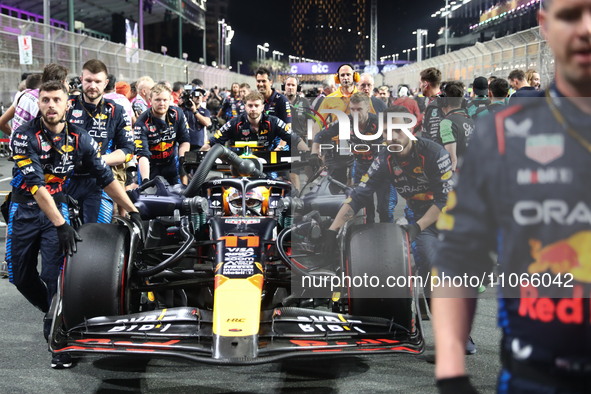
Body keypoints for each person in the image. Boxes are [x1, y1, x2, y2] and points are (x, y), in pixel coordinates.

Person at [432, 0, 591, 392]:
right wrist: (452, 371)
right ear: (544, 25)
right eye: (571, 14)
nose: (586, 28)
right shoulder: (502, 134)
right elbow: (457, 257)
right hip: (536, 371)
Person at [7, 81, 143, 369]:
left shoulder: (80, 138)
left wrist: (133, 211)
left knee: (55, 276)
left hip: (59, 207)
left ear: (68, 104)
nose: (51, 105)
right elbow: (35, 185)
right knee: (20, 277)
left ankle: (59, 336)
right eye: (45, 100)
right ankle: (54, 311)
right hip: (24, 209)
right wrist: (60, 224)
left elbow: (106, 177)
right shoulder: (22, 136)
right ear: (39, 103)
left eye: (57, 99)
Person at [324, 105, 452, 300]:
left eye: (397, 130)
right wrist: (332, 230)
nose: (391, 137)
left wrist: (416, 228)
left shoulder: (435, 153)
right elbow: (358, 196)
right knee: (429, 263)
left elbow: (444, 201)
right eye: (386, 132)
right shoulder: (384, 159)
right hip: (419, 215)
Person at [65, 60, 134, 224]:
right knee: (60, 240)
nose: (92, 86)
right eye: (88, 81)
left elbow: (128, 150)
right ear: (81, 80)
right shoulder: (65, 105)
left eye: (97, 82)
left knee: (96, 237)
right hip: (65, 180)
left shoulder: (116, 110)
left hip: (100, 181)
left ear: (106, 83)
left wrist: (97, 161)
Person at [311, 93, 397, 223]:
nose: (355, 113)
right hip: (361, 168)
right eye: (352, 109)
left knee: (384, 209)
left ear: (368, 108)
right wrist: (314, 153)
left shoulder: (380, 123)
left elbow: (398, 141)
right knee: (365, 210)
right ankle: (367, 238)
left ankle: (389, 238)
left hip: (383, 170)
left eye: (359, 109)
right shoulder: (345, 121)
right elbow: (320, 135)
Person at [200, 92, 308, 152]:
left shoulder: (274, 122)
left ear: (262, 107)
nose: (253, 109)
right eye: (250, 106)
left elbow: (295, 139)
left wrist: (310, 154)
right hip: (239, 165)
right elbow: (212, 142)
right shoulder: (234, 123)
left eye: (256, 106)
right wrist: (198, 156)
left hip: (267, 165)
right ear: (245, 107)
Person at [135, 83, 190, 185]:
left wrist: (183, 159)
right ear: (150, 100)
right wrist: (146, 180)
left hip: (171, 163)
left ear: (170, 100)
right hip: (150, 165)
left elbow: (184, 140)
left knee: (179, 196)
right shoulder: (141, 122)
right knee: (147, 195)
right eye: (157, 100)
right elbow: (142, 154)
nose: (162, 103)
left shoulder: (177, 114)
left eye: (165, 100)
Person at [0, 64, 69, 137]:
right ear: (62, 83)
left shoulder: (24, 94)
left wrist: (16, 138)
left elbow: (1, 122)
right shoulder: (51, 105)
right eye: (66, 81)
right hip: (33, 147)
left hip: (16, 146)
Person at [436, 81, 475, 172]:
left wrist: (450, 183)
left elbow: (452, 159)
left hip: (456, 175)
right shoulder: (469, 120)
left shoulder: (446, 123)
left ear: (443, 101)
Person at [255, 67, 292, 150]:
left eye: (264, 81)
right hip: (260, 144)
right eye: (258, 81)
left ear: (271, 82)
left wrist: (280, 147)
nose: (260, 84)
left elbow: (288, 126)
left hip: (278, 145)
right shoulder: (255, 100)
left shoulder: (281, 99)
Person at [420, 67, 446, 142]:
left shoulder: (438, 103)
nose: (420, 86)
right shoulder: (431, 99)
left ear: (425, 84)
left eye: (420, 83)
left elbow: (434, 134)